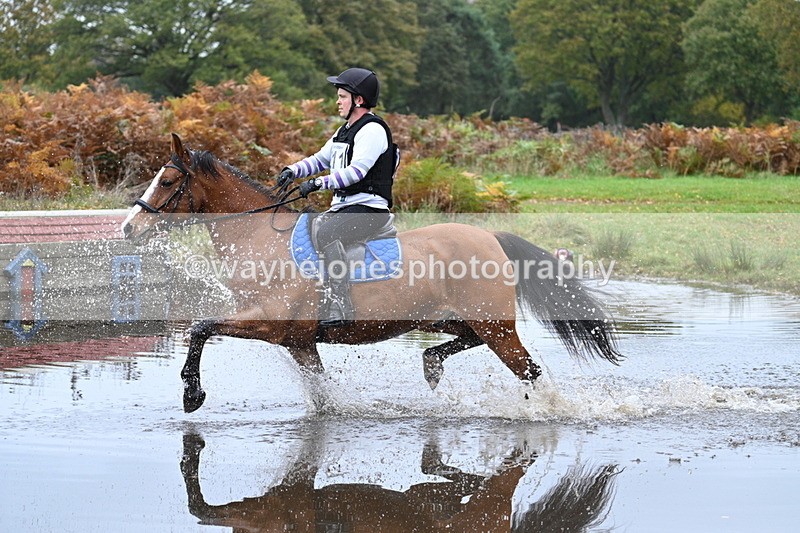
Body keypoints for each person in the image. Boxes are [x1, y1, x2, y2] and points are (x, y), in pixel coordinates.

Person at [277, 67, 397, 327]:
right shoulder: (345, 130)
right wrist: (293, 170)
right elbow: (321, 159)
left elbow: (356, 172)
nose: (338, 101)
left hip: (369, 210)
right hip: (344, 209)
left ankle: (339, 304)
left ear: (359, 100)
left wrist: (319, 183)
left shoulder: (372, 130)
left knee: (327, 233)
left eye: (342, 96)